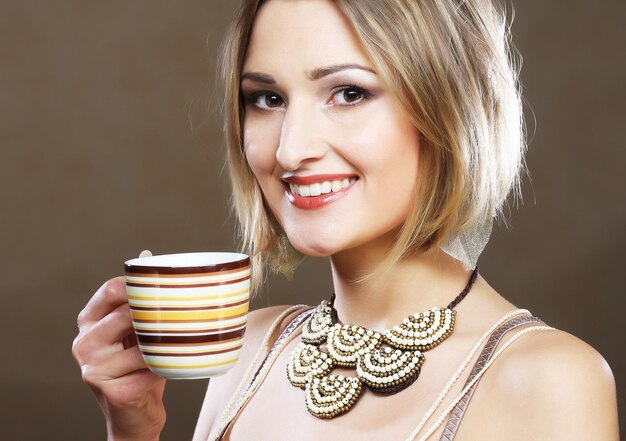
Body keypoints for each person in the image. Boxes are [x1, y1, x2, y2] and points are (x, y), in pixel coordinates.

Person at [72, 0, 620, 440]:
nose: (291, 150)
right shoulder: (250, 351)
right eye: (266, 98)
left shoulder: (548, 380)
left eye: (349, 92)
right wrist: (136, 429)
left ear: (447, 107)